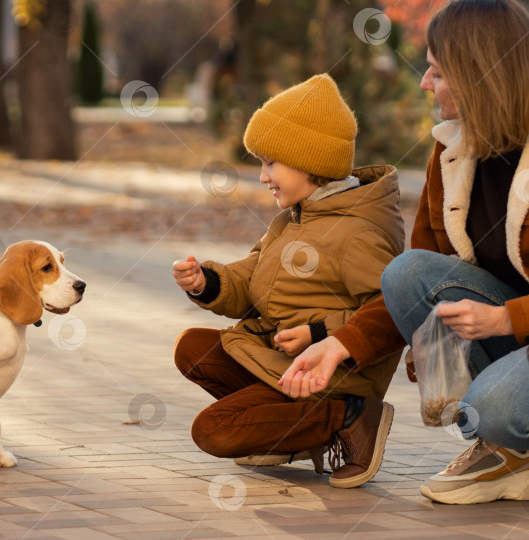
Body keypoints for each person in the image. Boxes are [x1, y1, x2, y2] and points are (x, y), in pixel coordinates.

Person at [281, 0, 529, 505]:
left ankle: (507, 432)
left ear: (477, 74)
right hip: (512, 333)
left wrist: (506, 319)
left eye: (436, 72)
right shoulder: (452, 150)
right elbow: (418, 276)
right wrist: (342, 344)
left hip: (514, 324)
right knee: (408, 270)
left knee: (495, 405)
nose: (424, 83)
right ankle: (511, 450)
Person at [172, 74, 405, 488]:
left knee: (213, 430)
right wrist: (206, 281)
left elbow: (390, 312)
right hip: (285, 361)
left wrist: (319, 333)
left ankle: (351, 418)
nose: (262, 176)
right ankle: (288, 436)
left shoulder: (358, 234)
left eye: (269, 163)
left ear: (308, 162)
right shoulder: (294, 218)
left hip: (335, 379)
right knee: (192, 348)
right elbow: (253, 278)